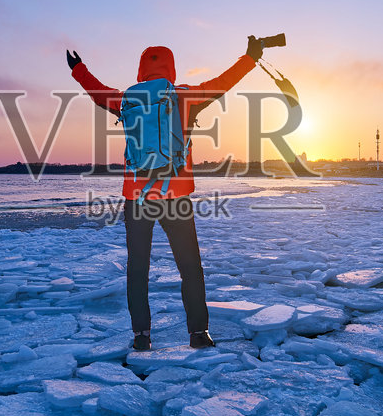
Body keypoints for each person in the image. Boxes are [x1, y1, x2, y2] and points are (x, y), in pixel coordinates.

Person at [68, 37, 263, 351]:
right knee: (190, 267)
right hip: (176, 196)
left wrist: (78, 69)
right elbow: (222, 83)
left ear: (141, 70)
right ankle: (198, 333)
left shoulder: (126, 99)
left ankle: (141, 336)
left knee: (138, 269)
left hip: (137, 198)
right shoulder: (184, 96)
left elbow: (98, 93)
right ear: (171, 68)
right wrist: (250, 58)